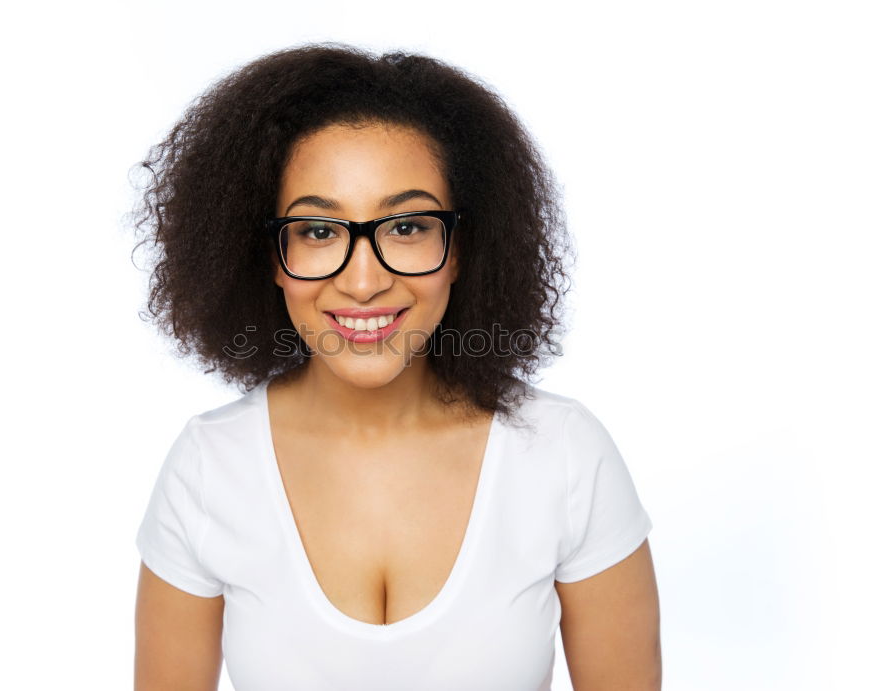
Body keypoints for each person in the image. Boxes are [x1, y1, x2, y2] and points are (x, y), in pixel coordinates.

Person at [131, 44, 660, 691]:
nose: (363, 280)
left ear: (460, 247)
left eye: (406, 226)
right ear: (270, 255)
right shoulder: (208, 470)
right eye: (319, 231)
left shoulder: (566, 457)